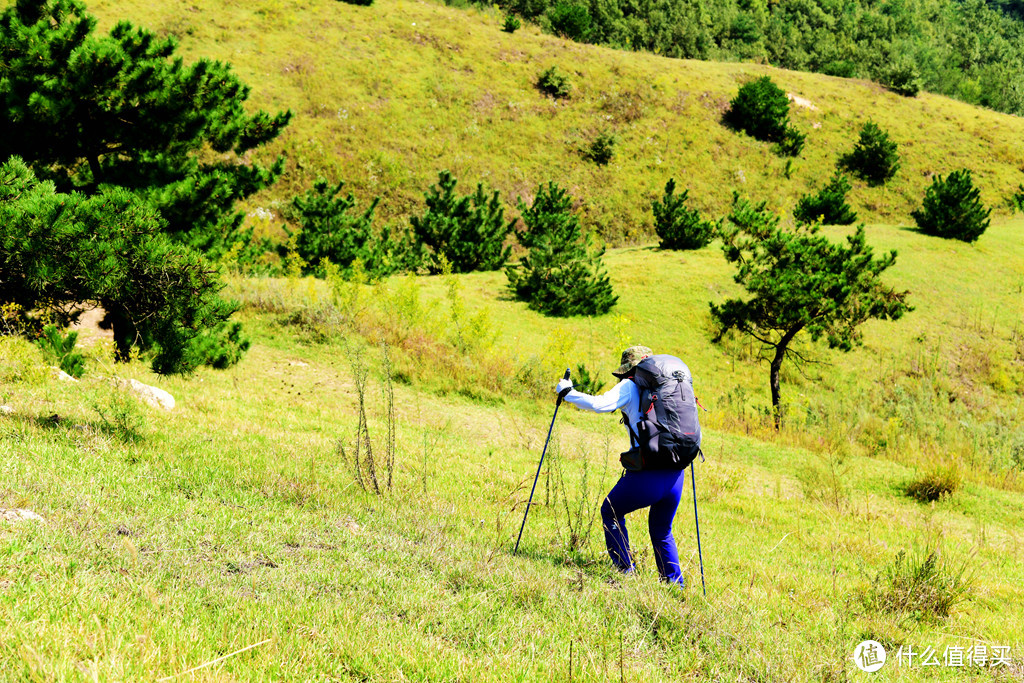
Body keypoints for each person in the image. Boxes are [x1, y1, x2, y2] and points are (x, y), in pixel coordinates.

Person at [554, 345, 691, 586]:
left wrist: (568, 393)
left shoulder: (630, 386)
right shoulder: (669, 388)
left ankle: (625, 573)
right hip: (677, 473)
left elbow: (599, 404)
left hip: (649, 472)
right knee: (662, 530)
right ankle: (675, 587)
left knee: (610, 510)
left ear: (630, 369)